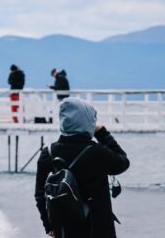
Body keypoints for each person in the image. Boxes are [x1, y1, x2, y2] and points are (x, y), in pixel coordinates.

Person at [35, 97, 129, 238]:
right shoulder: (97, 152)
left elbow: (40, 194)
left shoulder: (48, 153)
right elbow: (123, 162)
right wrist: (102, 134)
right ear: (87, 121)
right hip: (98, 229)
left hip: (64, 230)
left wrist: (49, 226)